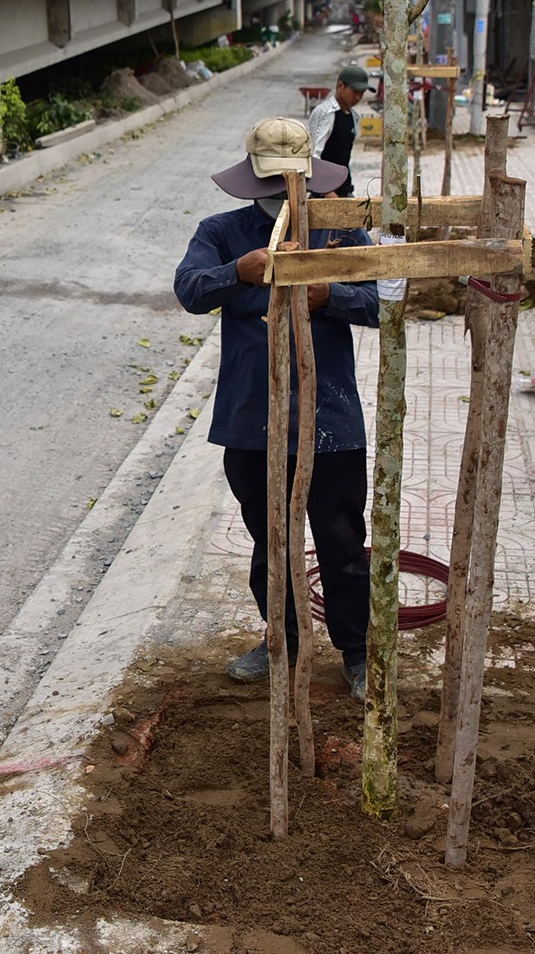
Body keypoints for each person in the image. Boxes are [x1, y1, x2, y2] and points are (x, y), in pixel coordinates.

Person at [173, 118, 378, 699]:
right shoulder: (222, 232)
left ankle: (357, 651)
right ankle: (280, 641)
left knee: (340, 542)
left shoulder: (336, 233)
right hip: (252, 420)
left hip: (330, 419)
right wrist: (238, 273)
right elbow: (189, 290)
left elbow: (381, 303)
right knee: (271, 542)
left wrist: (329, 295)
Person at [305, 61, 371, 197]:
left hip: (345, 189)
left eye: (362, 93)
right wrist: (327, 192)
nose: (358, 97)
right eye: (355, 92)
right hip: (324, 193)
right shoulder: (325, 112)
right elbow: (312, 158)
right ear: (340, 86)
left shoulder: (354, 116)